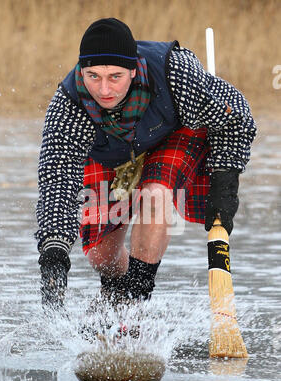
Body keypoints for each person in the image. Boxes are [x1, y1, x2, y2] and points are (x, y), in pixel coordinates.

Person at [35, 18, 256, 318]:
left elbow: (238, 117)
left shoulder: (174, 73)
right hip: (111, 154)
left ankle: (134, 306)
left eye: (115, 77)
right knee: (101, 255)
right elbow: (56, 181)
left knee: (156, 196)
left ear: (134, 69)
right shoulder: (68, 105)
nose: (104, 89)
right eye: (93, 76)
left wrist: (225, 179)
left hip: (172, 136)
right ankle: (114, 298)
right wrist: (54, 256)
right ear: (81, 71)